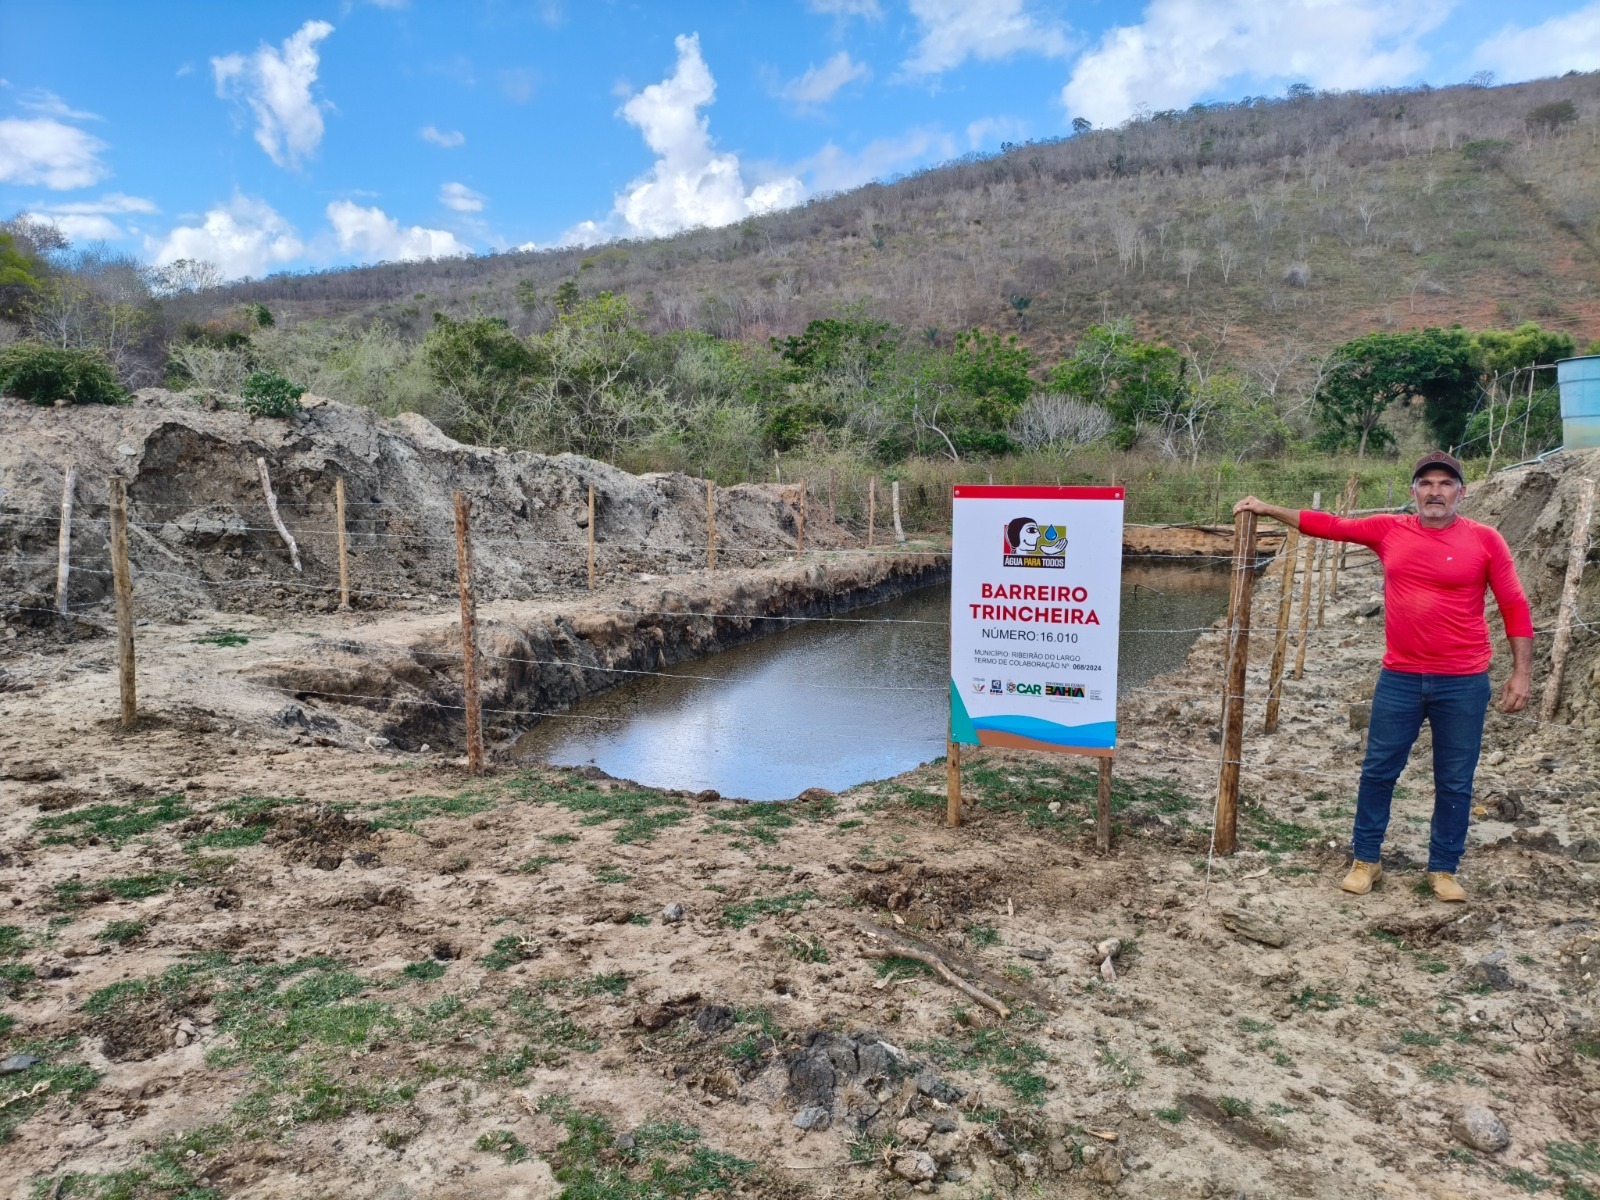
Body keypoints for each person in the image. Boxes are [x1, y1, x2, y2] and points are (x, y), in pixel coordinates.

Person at [1233, 451, 1533, 903]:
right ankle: (1366, 860)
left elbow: (1514, 605)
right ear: (1414, 492)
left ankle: (1444, 869)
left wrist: (1521, 674)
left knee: (1455, 779)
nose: (1436, 491)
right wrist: (1267, 508)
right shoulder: (1389, 530)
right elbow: (1330, 525)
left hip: (1464, 681)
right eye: (1427, 483)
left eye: (1445, 484)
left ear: (1461, 493)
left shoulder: (1486, 540)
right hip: (1400, 678)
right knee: (1378, 772)